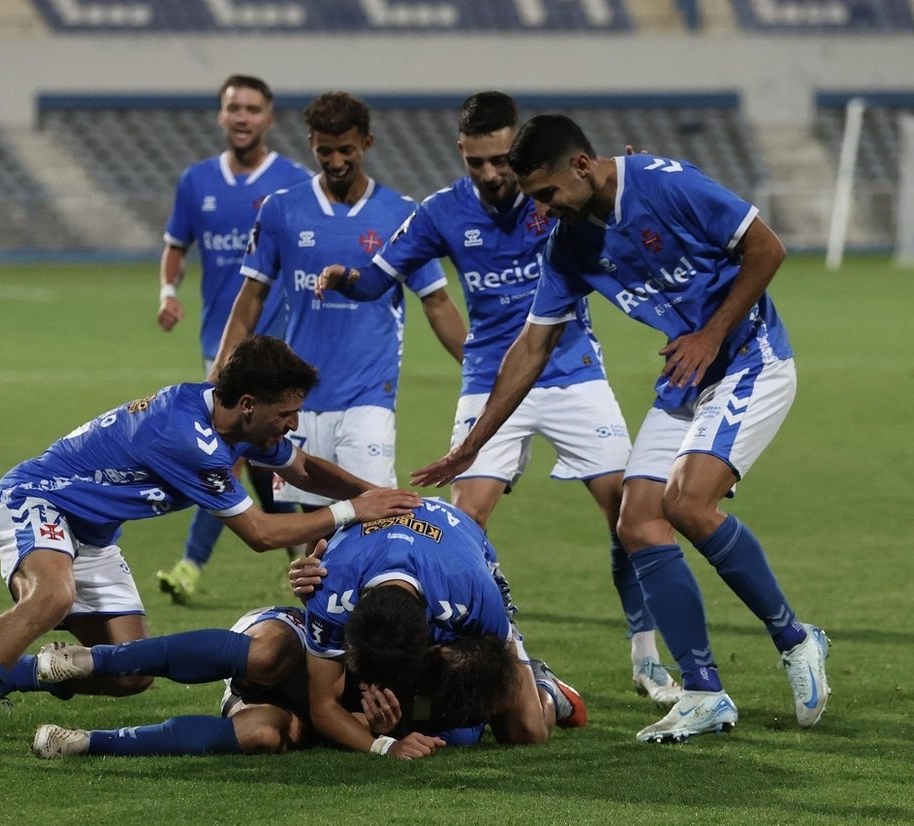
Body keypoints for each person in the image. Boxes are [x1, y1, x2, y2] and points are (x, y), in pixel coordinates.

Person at [412, 114, 831, 744]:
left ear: (582, 166)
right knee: (636, 522)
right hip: (687, 377)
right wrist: (471, 445)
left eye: (548, 195)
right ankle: (704, 691)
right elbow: (531, 347)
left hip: (751, 360)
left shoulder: (667, 184)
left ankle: (797, 640)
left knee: (687, 503)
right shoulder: (569, 243)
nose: (544, 211)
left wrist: (710, 334)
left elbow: (767, 247)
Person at [317, 91, 681, 707]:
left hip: (573, 372)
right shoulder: (440, 213)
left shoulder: (553, 192)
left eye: (500, 161)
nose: (491, 175)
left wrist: (629, 178)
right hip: (489, 379)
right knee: (462, 523)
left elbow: (619, 204)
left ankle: (646, 658)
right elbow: (380, 277)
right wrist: (347, 280)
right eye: (477, 162)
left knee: (630, 519)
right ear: (461, 152)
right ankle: (451, 655)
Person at [0, 335, 421, 768]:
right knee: (51, 596)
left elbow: (304, 469)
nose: (290, 424)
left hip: (93, 532)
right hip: (38, 499)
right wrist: (356, 509)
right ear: (248, 404)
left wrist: (386, 500)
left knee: (129, 673)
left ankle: (7, 676)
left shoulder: (231, 421)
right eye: (285, 414)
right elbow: (261, 535)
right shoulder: (189, 439)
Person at [215, 91, 467, 512]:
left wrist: (481, 371)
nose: (335, 161)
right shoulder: (281, 210)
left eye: (346, 150)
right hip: (297, 398)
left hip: (370, 393)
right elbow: (251, 297)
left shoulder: (401, 213)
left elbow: (437, 301)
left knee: (374, 508)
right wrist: (222, 369)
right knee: (319, 519)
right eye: (324, 150)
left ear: (366, 143)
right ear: (311, 143)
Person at [154, 74, 313, 605]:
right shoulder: (196, 181)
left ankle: (191, 566)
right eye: (233, 108)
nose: (242, 117)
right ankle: (305, 560)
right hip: (221, 349)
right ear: (221, 116)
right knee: (257, 462)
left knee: (235, 458)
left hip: (282, 352)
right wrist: (167, 290)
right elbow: (176, 245)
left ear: (269, 118)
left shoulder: (294, 182)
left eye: (252, 108)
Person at [292, 498, 587, 759]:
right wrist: (385, 745)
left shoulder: (474, 590)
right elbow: (323, 707)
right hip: (402, 561)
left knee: (526, 733)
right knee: (451, 735)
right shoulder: (328, 587)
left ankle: (546, 686)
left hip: (457, 562)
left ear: (433, 639)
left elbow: (497, 665)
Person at [28, 604, 517, 759]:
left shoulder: (456, 714)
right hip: (301, 646)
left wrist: (380, 730)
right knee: (265, 654)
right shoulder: (431, 619)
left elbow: (429, 731)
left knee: (262, 734)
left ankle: (87, 743)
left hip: (306, 708)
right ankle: (98, 659)